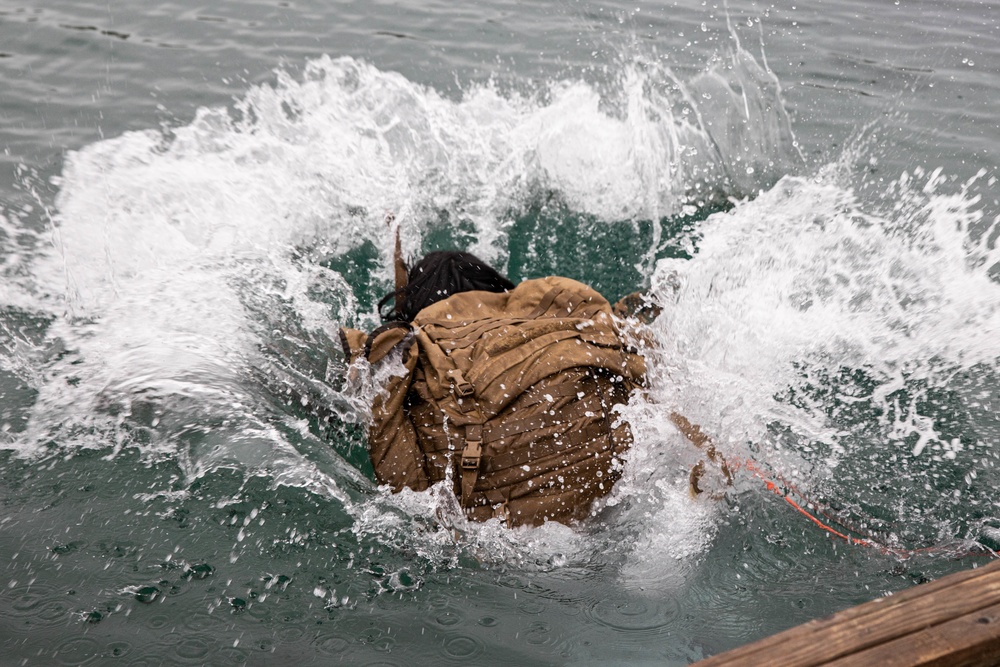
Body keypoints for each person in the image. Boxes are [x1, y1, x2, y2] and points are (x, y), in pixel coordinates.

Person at [340, 224, 729, 527]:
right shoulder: (552, 314)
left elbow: (401, 482)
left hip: (503, 540)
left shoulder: (407, 357)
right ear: (494, 288)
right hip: (613, 487)